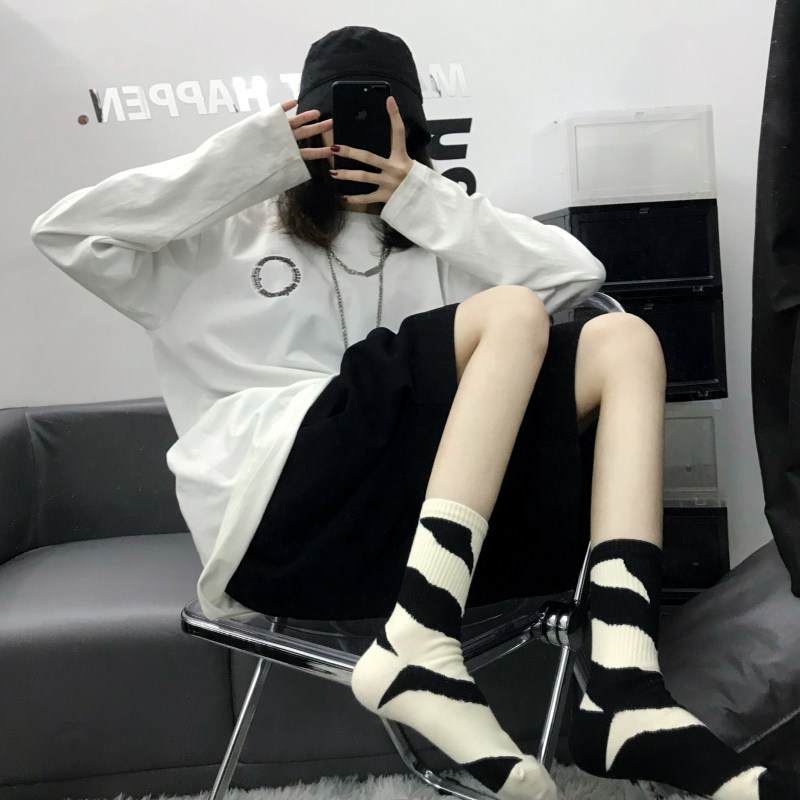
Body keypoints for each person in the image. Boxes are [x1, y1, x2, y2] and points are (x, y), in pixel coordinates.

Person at [30, 24, 798, 800]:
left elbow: (578, 272)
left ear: (416, 139)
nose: (352, 143)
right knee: (511, 311)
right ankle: (420, 645)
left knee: (624, 339)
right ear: (294, 129)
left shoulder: (433, 234)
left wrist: (419, 198)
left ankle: (625, 687)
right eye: (329, 125)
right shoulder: (218, 235)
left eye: (382, 124)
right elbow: (64, 233)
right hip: (282, 526)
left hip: (408, 535)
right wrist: (255, 159)